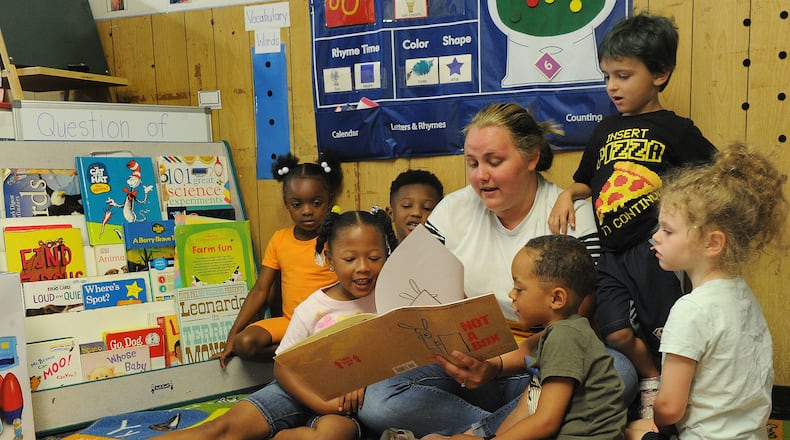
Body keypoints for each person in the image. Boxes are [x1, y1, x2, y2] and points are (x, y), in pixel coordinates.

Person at [359, 102, 637, 438]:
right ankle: (520, 428)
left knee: (619, 373)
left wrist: (498, 365)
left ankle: (478, 434)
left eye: (494, 162)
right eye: (472, 164)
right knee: (377, 400)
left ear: (532, 157)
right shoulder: (454, 209)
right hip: (468, 366)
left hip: (542, 365)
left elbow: (580, 317)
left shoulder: (569, 213)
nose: (481, 176)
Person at [548, 12, 717, 418]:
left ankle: (673, 405)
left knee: (667, 332)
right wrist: (568, 194)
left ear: (659, 73)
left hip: (656, 251)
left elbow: (713, 176)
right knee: (618, 332)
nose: (612, 86)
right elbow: (586, 180)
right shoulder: (604, 129)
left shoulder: (676, 129)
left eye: (623, 75)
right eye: (607, 76)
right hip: (611, 253)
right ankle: (650, 379)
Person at [156, 209, 399, 440]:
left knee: (333, 435)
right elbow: (282, 368)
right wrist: (319, 403)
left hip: (344, 406)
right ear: (330, 260)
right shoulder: (312, 308)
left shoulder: (391, 298)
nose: (363, 267)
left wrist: (359, 384)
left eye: (374, 257)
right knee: (222, 430)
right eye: (349, 259)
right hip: (296, 389)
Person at [627, 143, 786, 440]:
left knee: (631, 431)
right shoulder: (745, 297)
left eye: (668, 230)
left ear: (712, 243)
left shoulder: (691, 309)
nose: (655, 237)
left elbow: (670, 407)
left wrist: (655, 427)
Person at [419, 235, 626, 440]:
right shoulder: (556, 334)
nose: (511, 294)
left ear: (556, 298)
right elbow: (525, 409)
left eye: (519, 288)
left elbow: (545, 422)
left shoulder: (566, 337)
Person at [214, 152, 343, 367]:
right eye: (297, 204)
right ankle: (299, 354)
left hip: (329, 323)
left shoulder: (337, 238)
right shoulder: (280, 239)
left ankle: (302, 352)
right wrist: (231, 337)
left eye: (316, 203)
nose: (307, 211)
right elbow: (260, 290)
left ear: (329, 201)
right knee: (244, 344)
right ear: (286, 203)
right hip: (290, 322)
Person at [386, 169, 444, 242]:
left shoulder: (449, 252)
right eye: (406, 205)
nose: (416, 213)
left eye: (427, 208)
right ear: (391, 213)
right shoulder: (380, 252)